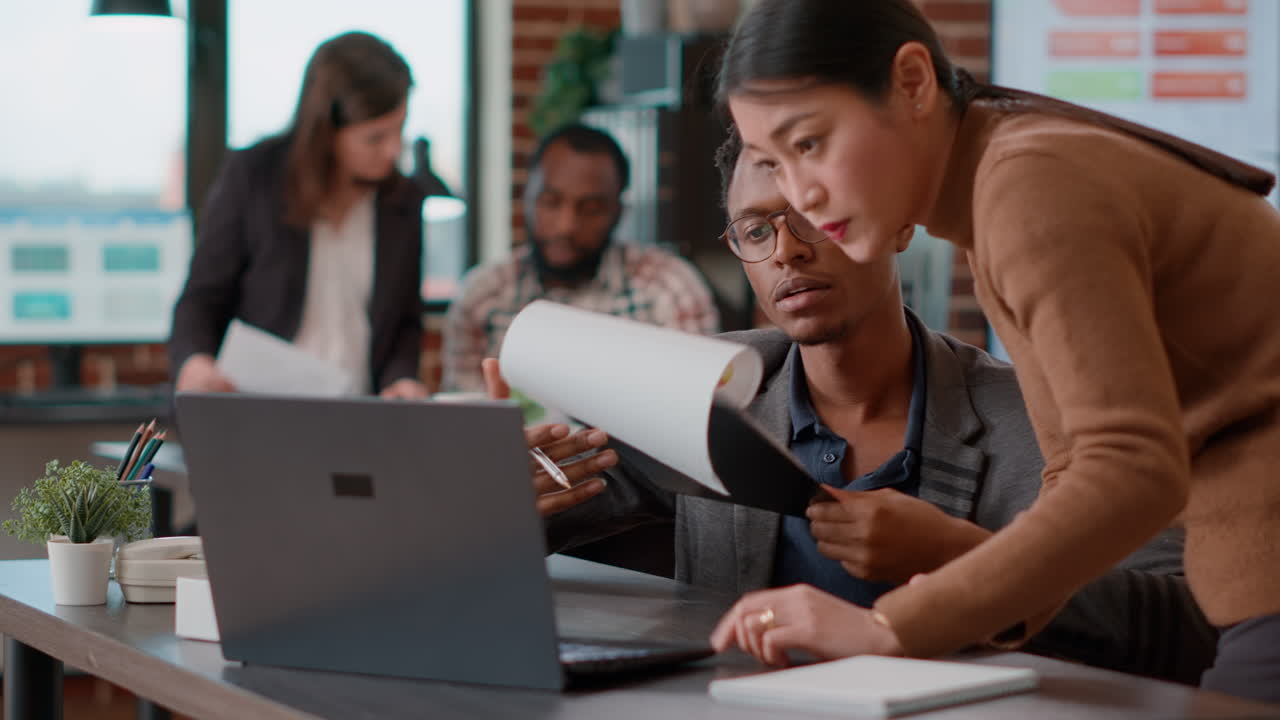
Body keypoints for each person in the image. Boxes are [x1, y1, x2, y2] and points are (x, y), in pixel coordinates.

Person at [481, 129, 1217, 683]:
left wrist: (959, 557)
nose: (786, 253)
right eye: (756, 230)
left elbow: (1185, 625)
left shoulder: (1030, 417)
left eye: (810, 215)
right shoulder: (708, 389)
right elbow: (535, 517)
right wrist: (499, 495)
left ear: (898, 224)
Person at [712, 0, 1280, 701]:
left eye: (809, 144)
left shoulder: (1026, 187)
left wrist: (890, 627)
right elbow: (1077, 467)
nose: (802, 193)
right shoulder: (1000, 188)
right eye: (772, 163)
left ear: (914, 83)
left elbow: (1133, 469)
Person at [169, 32, 428, 399]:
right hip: (258, 415)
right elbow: (201, 299)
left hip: (362, 421)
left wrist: (401, 379)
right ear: (327, 131)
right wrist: (195, 362)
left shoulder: (403, 200)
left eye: (399, 130)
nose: (392, 151)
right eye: (375, 137)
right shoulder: (254, 175)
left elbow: (404, 322)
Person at [441, 123, 720, 393]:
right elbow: (467, 422)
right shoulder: (481, 295)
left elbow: (695, 408)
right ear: (526, 198)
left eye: (591, 209)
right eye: (551, 202)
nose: (566, 226)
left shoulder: (670, 288)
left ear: (619, 212)